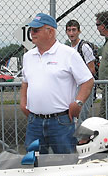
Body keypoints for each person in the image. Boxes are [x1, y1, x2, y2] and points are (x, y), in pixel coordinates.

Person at [20, 13, 94, 154]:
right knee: (33, 165)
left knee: (66, 164)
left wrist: (78, 102)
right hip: (34, 123)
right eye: (31, 30)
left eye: (36, 30)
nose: (32, 33)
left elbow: (87, 80)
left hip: (61, 122)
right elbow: (25, 82)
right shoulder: (28, 57)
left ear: (50, 32)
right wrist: (23, 103)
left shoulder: (68, 54)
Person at [65, 19, 96, 124]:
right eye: (69, 30)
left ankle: (81, 139)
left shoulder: (84, 47)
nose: (71, 33)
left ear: (79, 31)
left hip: (84, 85)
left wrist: (78, 76)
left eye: (74, 30)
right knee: (73, 116)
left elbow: (92, 69)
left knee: (81, 116)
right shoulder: (69, 48)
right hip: (74, 85)